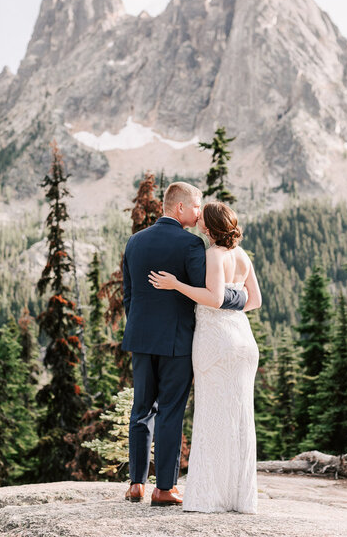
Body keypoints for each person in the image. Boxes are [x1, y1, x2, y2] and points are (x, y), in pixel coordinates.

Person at [121, 182, 247, 506]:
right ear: (180, 208)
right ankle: (164, 488)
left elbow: (129, 296)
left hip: (140, 338)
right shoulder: (190, 245)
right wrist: (242, 295)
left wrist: (139, 326)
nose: (199, 211)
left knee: (141, 409)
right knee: (170, 411)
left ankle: (136, 483)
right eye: (196, 206)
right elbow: (209, 294)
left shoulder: (134, 242)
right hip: (176, 341)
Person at [149, 201, 261, 513]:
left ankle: (210, 497)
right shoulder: (242, 255)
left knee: (212, 414)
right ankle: (240, 498)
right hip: (243, 340)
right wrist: (231, 302)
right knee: (240, 417)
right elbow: (255, 301)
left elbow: (212, 297)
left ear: (209, 229)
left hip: (216, 340)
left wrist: (176, 284)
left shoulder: (213, 254)